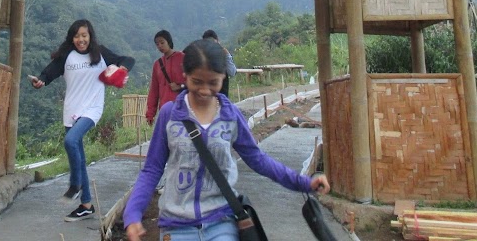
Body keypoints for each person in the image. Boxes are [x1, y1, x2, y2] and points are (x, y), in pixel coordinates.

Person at [123, 38, 329, 241]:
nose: (204, 90)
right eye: (196, 81)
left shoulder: (230, 116)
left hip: (221, 221)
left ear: (223, 77)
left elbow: (257, 159)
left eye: (213, 83)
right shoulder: (170, 115)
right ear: (185, 75)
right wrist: (132, 215)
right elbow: (152, 169)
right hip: (176, 226)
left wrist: (303, 182)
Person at [30, 19, 135, 222]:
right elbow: (49, 71)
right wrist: (41, 80)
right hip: (72, 110)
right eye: (77, 36)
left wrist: (121, 69)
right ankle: (86, 205)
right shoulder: (66, 55)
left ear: (90, 36)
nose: (81, 39)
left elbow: (127, 59)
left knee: (70, 141)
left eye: (84, 35)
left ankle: (75, 185)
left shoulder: (100, 53)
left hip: (92, 109)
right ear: (72, 37)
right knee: (79, 157)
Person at [145, 30, 186, 125]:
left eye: (162, 42)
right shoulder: (157, 64)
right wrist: (150, 113)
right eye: (157, 44)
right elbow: (154, 90)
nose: (160, 46)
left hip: (181, 108)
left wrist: (181, 86)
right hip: (164, 110)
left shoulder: (182, 58)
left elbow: (193, 81)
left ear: (169, 41)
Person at [202, 29, 237, 97]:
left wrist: (227, 55)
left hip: (222, 99)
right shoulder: (200, 56)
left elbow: (232, 72)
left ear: (218, 41)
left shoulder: (223, 54)